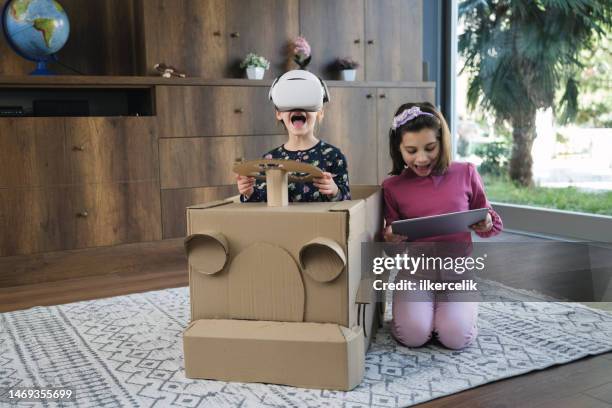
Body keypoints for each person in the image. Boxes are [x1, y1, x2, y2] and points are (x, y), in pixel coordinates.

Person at [382, 102, 503, 350]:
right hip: (414, 277)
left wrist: (486, 221)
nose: (422, 158)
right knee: (414, 336)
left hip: (458, 277)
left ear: (442, 142)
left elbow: (493, 224)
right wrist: (389, 239)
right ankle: (426, 314)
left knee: (455, 338)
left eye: (430, 148)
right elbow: (390, 249)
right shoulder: (392, 187)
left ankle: (458, 313)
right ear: (399, 149)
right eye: (411, 150)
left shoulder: (466, 172)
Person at [236, 70, 350, 202]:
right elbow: (263, 203)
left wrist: (334, 191)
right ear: (279, 113)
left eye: (306, 103)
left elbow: (347, 202)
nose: (298, 108)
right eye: (290, 103)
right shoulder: (270, 160)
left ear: (320, 113)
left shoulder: (333, 156)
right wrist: (249, 192)